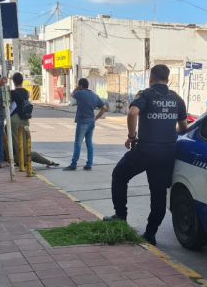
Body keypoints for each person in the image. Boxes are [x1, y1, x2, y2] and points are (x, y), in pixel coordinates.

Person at [104, 64, 188, 245]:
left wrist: (131, 136)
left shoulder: (146, 94)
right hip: (167, 152)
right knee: (158, 193)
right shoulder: (177, 99)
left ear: (151, 78)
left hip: (145, 150)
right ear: (168, 78)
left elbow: (133, 112)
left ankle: (120, 215)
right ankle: (150, 234)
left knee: (119, 175)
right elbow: (183, 128)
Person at [63, 78, 107, 171]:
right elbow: (104, 108)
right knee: (89, 143)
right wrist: (96, 118)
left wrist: (77, 87)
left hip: (83, 121)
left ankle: (73, 164)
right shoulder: (95, 95)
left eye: (79, 85)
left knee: (78, 143)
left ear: (81, 86)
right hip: (91, 121)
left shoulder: (80, 93)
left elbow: (72, 94)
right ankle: (89, 164)